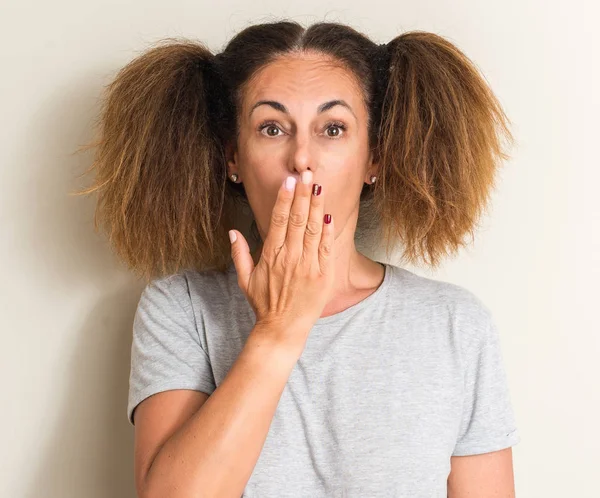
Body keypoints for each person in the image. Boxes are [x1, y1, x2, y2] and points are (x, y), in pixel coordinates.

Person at [76, 19, 521, 498]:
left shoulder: (455, 324)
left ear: (373, 157)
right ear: (234, 159)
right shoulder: (181, 307)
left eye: (333, 128)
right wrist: (278, 330)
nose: (302, 158)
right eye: (272, 128)